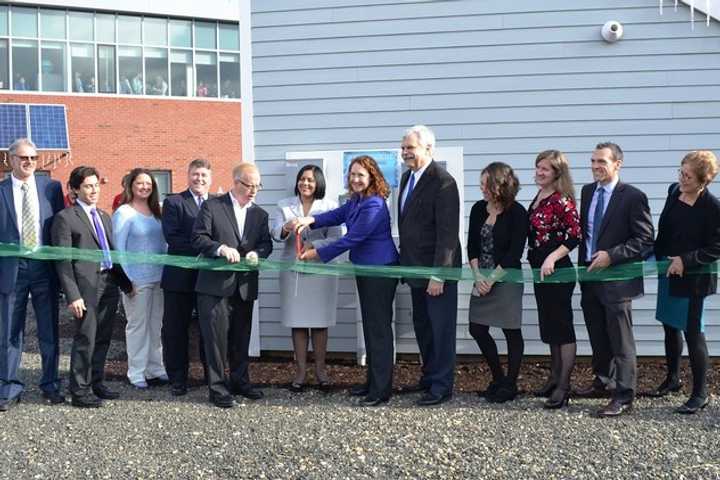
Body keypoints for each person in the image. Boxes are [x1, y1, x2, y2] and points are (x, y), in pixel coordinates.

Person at [295, 155, 398, 407]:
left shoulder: (374, 204)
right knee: (372, 329)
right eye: (352, 175)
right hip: (366, 270)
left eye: (361, 175)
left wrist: (317, 253)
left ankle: (381, 391)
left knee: (379, 332)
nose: (355, 179)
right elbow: (337, 214)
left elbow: (352, 239)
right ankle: (372, 383)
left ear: (372, 177)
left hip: (380, 271)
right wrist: (311, 219)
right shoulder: (356, 201)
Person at [575, 142, 654, 418]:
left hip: (618, 281)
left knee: (621, 340)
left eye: (602, 162)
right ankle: (603, 381)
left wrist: (612, 255)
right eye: (593, 161)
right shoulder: (587, 192)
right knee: (598, 335)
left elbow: (645, 240)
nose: (596, 166)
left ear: (617, 164)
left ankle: (624, 395)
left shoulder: (633, 196)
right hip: (590, 278)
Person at [192, 163, 273, 408]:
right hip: (214, 286)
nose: (254, 191)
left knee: (241, 337)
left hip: (244, 286)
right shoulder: (213, 206)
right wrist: (220, 248)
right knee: (215, 340)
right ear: (236, 182)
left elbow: (266, 244)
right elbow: (198, 237)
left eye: (258, 186)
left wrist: (258, 254)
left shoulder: (260, 214)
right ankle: (217, 388)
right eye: (250, 186)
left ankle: (240, 381)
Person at [51, 166, 133, 408]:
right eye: (88, 185)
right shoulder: (65, 218)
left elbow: (112, 254)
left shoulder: (104, 216)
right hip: (85, 287)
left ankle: (96, 382)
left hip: (108, 284)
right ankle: (79, 391)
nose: (94, 190)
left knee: (103, 338)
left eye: (96, 185)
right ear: (75, 189)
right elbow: (63, 261)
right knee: (86, 337)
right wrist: (73, 295)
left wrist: (126, 284)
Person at [397, 125, 461, 406]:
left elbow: (447, 234)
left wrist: (439, 275)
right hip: (414, 270)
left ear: (428, 149)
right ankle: (429, 376)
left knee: (440, 329)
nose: (405, 153)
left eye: (410, 148)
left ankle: (442, 386)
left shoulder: (443, 181)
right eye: (403, 148)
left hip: (437, 273)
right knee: (423, 326)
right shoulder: (406, 179)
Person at [652, 150, 720, 414]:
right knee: (669, 325)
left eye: (688, 175)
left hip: (694, 279)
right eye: (680, 171)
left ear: (703, 181)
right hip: (668, 271)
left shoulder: (712, 207)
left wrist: (686, 259)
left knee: (693, 333)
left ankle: (700, 393)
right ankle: (673, 379)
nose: (681, 178)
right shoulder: (673, 192)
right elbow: (666, 230)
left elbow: (716, 247)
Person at [0, 138, 65, 412]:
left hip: (43, 269)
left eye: (33, 158)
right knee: (8, 333)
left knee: (48, 331)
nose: (29, 163)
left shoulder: (51, 188)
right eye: (23, 158)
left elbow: (60, 229)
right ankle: (9, 387)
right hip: (11, 270)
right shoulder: (1, 190)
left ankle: (50, 384)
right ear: (10, 160)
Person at [270, 165, 342, 392]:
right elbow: (274, 233)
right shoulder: (284, 205)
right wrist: (286, 227)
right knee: (298, 322)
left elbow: (336, 237)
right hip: (293, 270)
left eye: (310, 180)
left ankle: (321, 370)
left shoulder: (330, 206)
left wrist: (315, 245)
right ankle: (300, 371)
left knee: (320, 324)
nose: (306, 184)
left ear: (318, 182)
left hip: (321, 269)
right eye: (302, 179)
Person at [467, 162, 528, 404]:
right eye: (481, 184)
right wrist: (478, 276)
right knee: (477, 328)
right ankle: (498, 378)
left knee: (511, 330)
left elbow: (514, 253)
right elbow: (472, 245)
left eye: (486, 184)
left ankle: (511, 383)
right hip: (481, 277)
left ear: (499, 185)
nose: (482, 189)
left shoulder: (517, 212)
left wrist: (492, 280)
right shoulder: (477, 209)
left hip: (507, 278)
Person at [527, 150, 581, 409]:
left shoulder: (563, 199)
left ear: (557, 173)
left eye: (545, 169)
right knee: (549, 326)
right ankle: (554, 377)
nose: (539, 172)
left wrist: (552, 257)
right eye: (537, 167)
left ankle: (564, 386)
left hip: (558, 272)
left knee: (562, 328)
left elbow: (574, 235)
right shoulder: (539, 196)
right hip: (541, 273)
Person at [112, 168, 168, 389]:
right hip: (137, 280)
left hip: (159, 279)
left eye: (148, 184)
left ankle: (155, 368)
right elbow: (119, 249)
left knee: (156, 325)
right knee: (137, 326)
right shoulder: (124, 213)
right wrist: (127, 281)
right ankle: (136, 372)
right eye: (140, 183)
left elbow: (163, 245)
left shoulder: (156, 212)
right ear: (131, 186)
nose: (145, 187)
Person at [161, 158, 212, 396]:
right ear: (188, 176)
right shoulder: (174, 202)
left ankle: (212, 376)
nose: (199, 179)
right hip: (179, 278)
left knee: (209, 329)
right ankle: (178, 379)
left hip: (209, 279)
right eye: (195, 174)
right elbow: (174, 238)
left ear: (209, 178)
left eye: (203, 175)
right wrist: (210, 249)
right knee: (175, 330)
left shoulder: (219, 205)